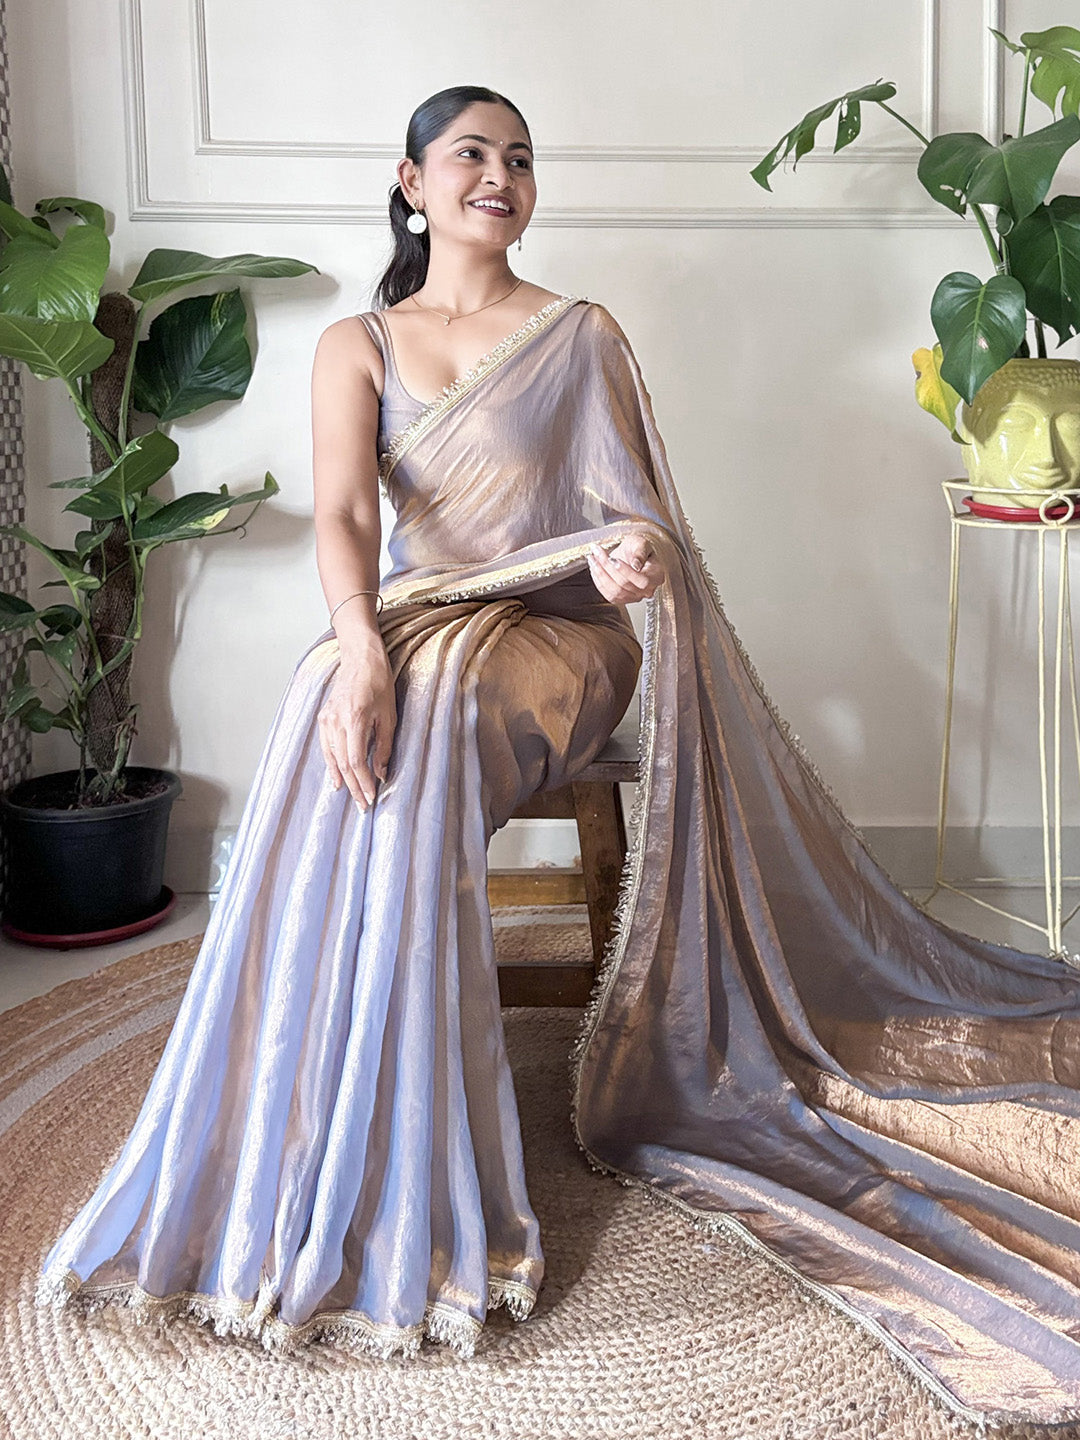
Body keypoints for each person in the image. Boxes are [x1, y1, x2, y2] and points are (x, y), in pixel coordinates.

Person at [32, 84, 1080, 1428]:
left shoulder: (578, 334)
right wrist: (357, 645)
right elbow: (344, 516)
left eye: (520, 159)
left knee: (440, 712)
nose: (500, 175)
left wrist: (631, 556)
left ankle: (419, 1172)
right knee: (324, 698)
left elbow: (635, 525)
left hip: (563, 640)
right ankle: (304, 1124)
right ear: (411, 181)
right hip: (411, 625)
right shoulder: (359, 344)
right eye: (471, 154)